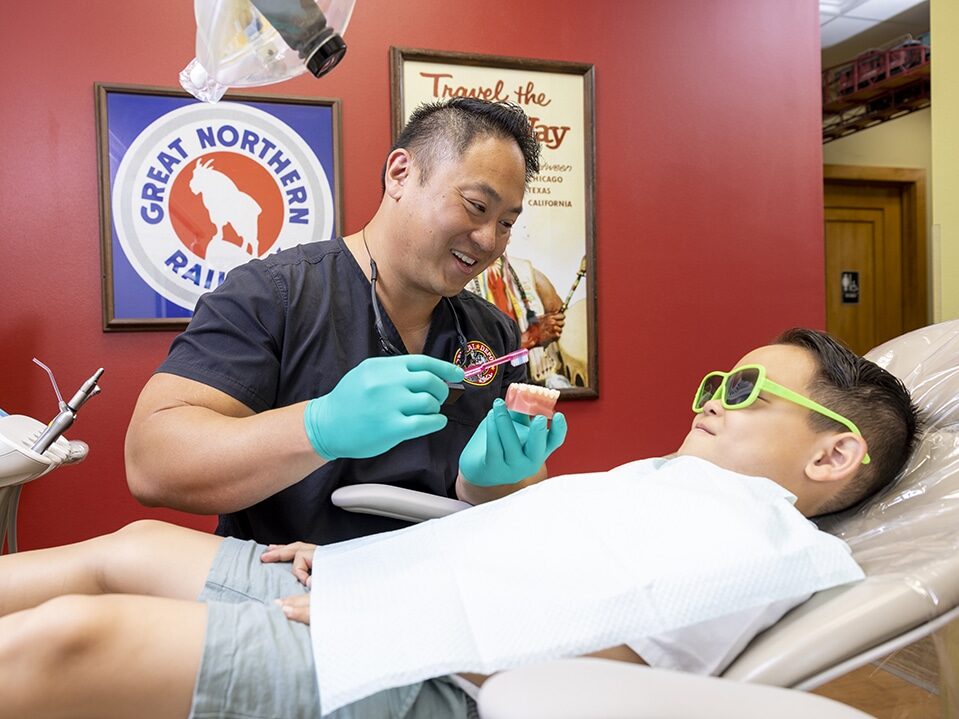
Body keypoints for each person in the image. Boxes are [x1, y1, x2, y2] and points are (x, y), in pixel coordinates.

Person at [0, 329, 919, 719]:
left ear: (833, 456)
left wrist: (393, 616)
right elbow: (521, 558)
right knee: (135, 547)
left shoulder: (756, 538)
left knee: (80, 634)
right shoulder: (670, 485)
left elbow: (599, 669)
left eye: (746, 390)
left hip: (427, 665)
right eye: (717, 381)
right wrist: (376, 564)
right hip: (381, 602)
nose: (714, 399)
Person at [124, 98, 568, 545]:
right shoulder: (273, 295)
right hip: (290, 593)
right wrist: (318, 427)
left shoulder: (493, 333)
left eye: (507, 223)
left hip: (439, 589)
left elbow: (520, 497)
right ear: (400, 174)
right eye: (476, 206)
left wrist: (491, 481)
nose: (490, 239)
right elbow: (151, 462)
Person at [469, 253, 570, 388]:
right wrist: (530, 339)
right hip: (486, 389)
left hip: (539, 379)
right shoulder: (458, 283)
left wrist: (552, 327)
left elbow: (561, 319)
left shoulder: (526, 272)